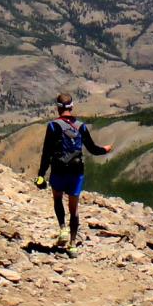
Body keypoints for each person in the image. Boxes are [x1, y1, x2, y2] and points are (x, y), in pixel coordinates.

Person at [34, 93, 112, 255]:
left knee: (57, 198)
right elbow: (92, 149)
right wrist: (105, 150)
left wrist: (41, 174)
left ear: (58, 108)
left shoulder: (53, 126)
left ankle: (63, 228)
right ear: (72, 107)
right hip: (76, 172)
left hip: (58, 169)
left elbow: (46, 153)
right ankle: (73, 244)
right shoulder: (81, 126)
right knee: (74, 208)